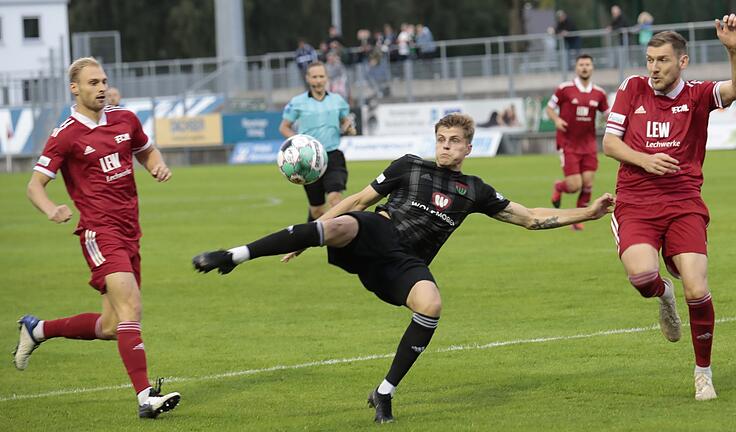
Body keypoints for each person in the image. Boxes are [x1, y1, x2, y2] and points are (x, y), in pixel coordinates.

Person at [192, 113, 615, 423]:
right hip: (377, 231)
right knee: (342, 223)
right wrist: (310, 234)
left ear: (469, 147)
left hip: (403, 265)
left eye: (454, 141)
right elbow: (358, 199)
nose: (446, 146)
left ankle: (384, 392)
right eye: (441, 139)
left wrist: (590, 213)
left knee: (431, 304)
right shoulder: (409, 165)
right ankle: (233, 256)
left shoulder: (474, 190)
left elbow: (529, 216)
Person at [14, 57, 181, 418]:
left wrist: (156, 166)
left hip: (130, 231)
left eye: (104, 81)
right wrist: (51, 209)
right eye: (93, 83)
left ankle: (38, 329)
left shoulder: (125, 119)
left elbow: (146, 150)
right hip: (99, 231)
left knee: (110, 326)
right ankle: (145, 398)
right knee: (131, 308)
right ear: (75, 88)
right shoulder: (66, 135)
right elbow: (35, 185)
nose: (101, 87)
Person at [603, 16, 736, 401]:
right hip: (635, 203)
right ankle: (663, 294)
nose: (653, 68)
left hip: (684, 203)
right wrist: (645, 160)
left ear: (681, 62)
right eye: (650, 59)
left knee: (698, 288)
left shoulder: (698, 95)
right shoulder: (632, 88)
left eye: (662, 60)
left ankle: (703, 373)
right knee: (641, 279)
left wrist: (733, 50)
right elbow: (610, 144)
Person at [279, 61, 356, 221]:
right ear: (308, 78)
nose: (318, 80)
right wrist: (297, 143)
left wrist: (348, 127)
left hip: (333, 156)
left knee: (335, 199)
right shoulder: (297, 102)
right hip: (308, 160)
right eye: (314, 77)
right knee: (317, 211)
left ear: (326, 78)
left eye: (321, 76)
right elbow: (284, 127)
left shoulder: (338, 100)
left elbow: (345, 121)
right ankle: (309, 236)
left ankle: (340, 239)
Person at [546, 54, 609, 230]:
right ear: (576, 67)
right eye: (581, 64)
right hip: (568, 143)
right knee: (575, 186)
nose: (584, 67)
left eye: (587, 64)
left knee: (588, 183)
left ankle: (578, 219)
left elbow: (607, 113)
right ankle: (559, 186)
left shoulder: (599, 93)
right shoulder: (564, 89)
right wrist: (557, 120)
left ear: (592, 67)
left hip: (588, 144)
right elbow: (549, 108)